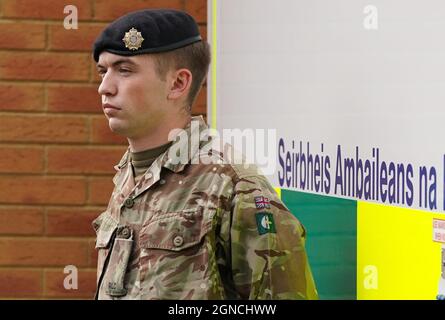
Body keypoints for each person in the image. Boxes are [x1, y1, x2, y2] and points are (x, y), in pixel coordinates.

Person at [91, 8, 318, 300]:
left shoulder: (236, 188)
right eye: (103, 71)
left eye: (125, 70)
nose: (104, 87)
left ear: (178, 84)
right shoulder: (129, 175)